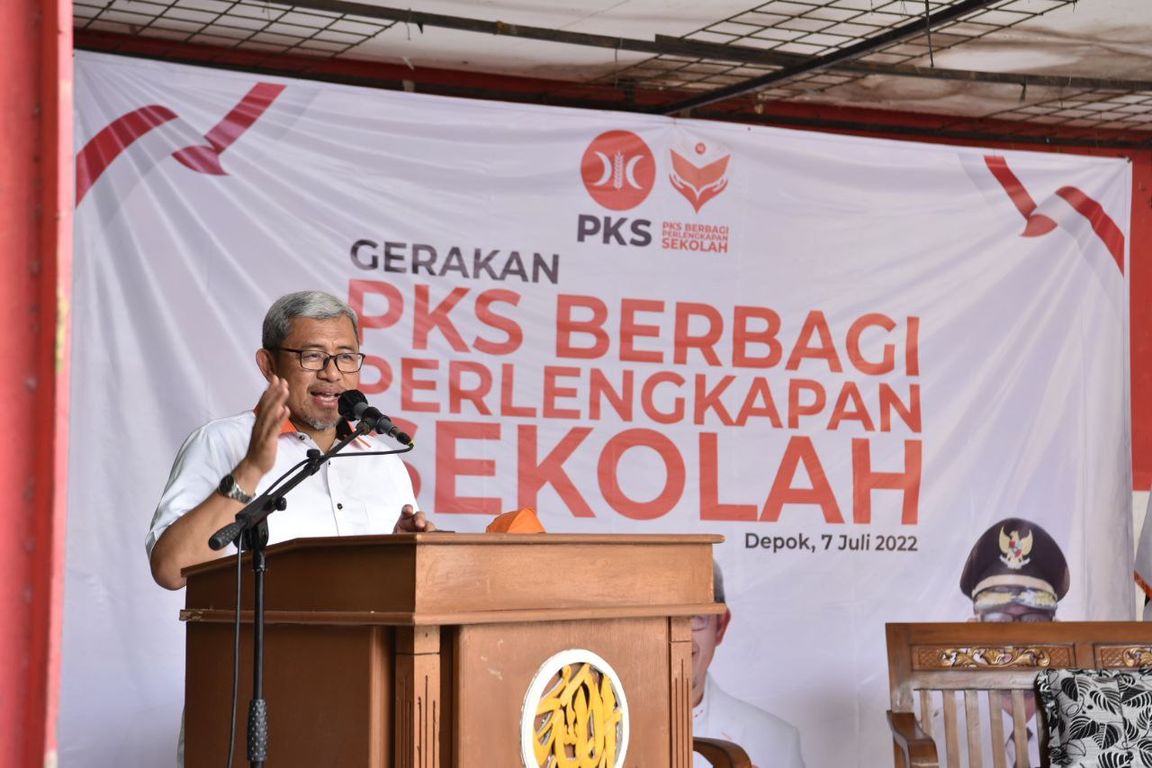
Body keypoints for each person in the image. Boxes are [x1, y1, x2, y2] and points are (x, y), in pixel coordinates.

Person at [147, 290, 434, 590]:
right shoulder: (220, 441)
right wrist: (250, 470)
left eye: (346, 357)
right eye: (312, 356)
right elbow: (170, 569)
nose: (332, 373)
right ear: (268, 364)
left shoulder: (383, 460)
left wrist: (401, 554)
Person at [931, 516, 1070, 768]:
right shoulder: (937, 740)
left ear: (1056, 635)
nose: (1015, 640)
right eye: (998, 622)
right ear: (973, 634)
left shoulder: (1087, 732)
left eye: (1032, 621)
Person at [692, 561, 805, 768]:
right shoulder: (613, 735)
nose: (678, 635)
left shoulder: (776, 741)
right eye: (661, 616)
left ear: (720, 626)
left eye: (695, 616)